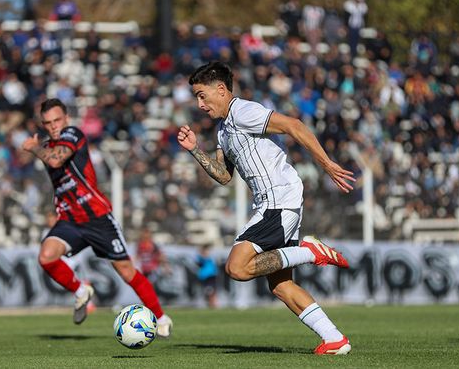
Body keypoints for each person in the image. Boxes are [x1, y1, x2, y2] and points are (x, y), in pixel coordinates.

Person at [177, 61, 356, 355]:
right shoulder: (223, 130)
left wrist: (326, 164)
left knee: (236, 267)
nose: (200, 104)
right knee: (281, 286)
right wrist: (195, 150)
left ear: (220, 89)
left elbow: (294, 126)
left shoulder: (243, 111)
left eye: (201, 95)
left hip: (278, 200)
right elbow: (224, 176)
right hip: (274, 202)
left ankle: (310, 252)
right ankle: (335, 339)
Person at [22, 98, 173, 335]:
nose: (54, 126)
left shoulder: (72, 134)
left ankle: (161, 318)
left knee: (126, 271)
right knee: (46, 256)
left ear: (66, 119)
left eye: (57, 120)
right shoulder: (48, 146)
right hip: (70, 219)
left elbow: (56, 159)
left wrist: (33, 148)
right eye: (48, 123)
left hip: (97, 217)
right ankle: (81, 290)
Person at [196, 244, 218, 308]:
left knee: (211, 290)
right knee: (209, 290)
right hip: (206, 277)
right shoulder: (201, 258)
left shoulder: (210, 257)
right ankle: (212, 304)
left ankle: (213, 304)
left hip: (211, 276)